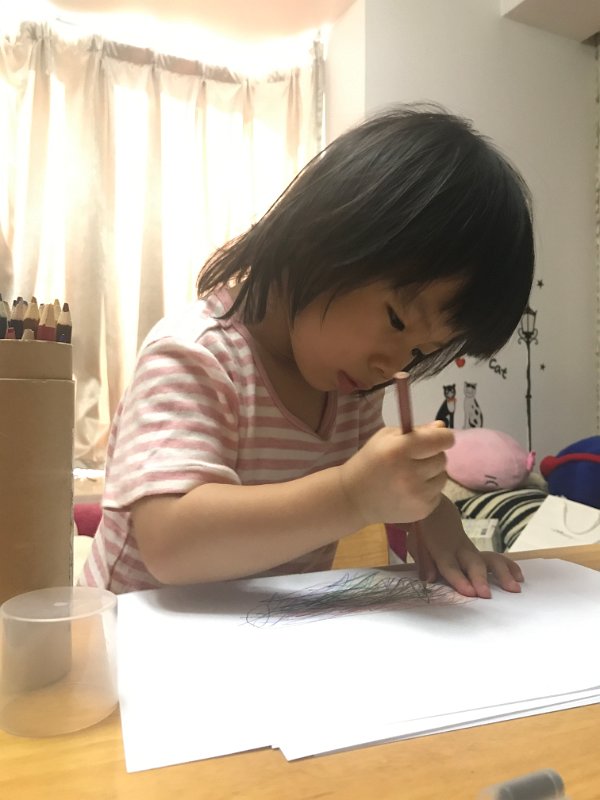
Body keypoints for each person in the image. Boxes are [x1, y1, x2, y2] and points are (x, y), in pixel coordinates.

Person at [80, 104, 534, 598]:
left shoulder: (350, 390)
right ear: (320, 238)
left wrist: (431, 511)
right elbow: (170, 545)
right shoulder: (196, 357)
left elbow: (383, 480)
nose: (391, 365)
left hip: (258, 632)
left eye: (421, 350)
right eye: (396, 320)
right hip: (124, 634)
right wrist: (350, 496)